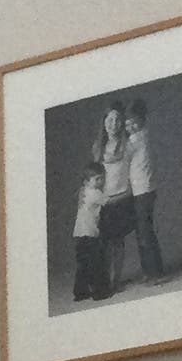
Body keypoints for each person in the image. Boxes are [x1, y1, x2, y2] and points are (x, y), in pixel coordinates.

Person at [123, 96, 169, 284]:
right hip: (144, 190)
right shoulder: (145, 134)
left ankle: (156, 274)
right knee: (144, 231)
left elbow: (121, 154)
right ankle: (150, 271)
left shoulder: (137, 138)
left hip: (143, 191)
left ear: (143, 120)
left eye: (134, 123)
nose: (130, 128)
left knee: (145, 232)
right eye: (127, 125)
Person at [95, 106, 138, 290]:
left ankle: (116, 280)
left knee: (117, 241)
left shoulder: (128, 145)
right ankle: (105, 280)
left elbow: (132, 176)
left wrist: (123, 194)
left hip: (122, 198)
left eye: (118, 120)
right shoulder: (97, 147)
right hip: (104, 200)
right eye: (110, 119)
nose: (114, 124)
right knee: (103, 242)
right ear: (104, 123)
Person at [70, 160, 110, 301]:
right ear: (87, 181)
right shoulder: (95, 193)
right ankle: (100, 292)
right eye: (97, 179)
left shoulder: (84, 191)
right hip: (90, 234)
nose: (100, 181)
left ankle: (80, 293)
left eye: (102, 178)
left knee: (83, 265)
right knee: (96, 263)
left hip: (79, 234)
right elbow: (109, 202)